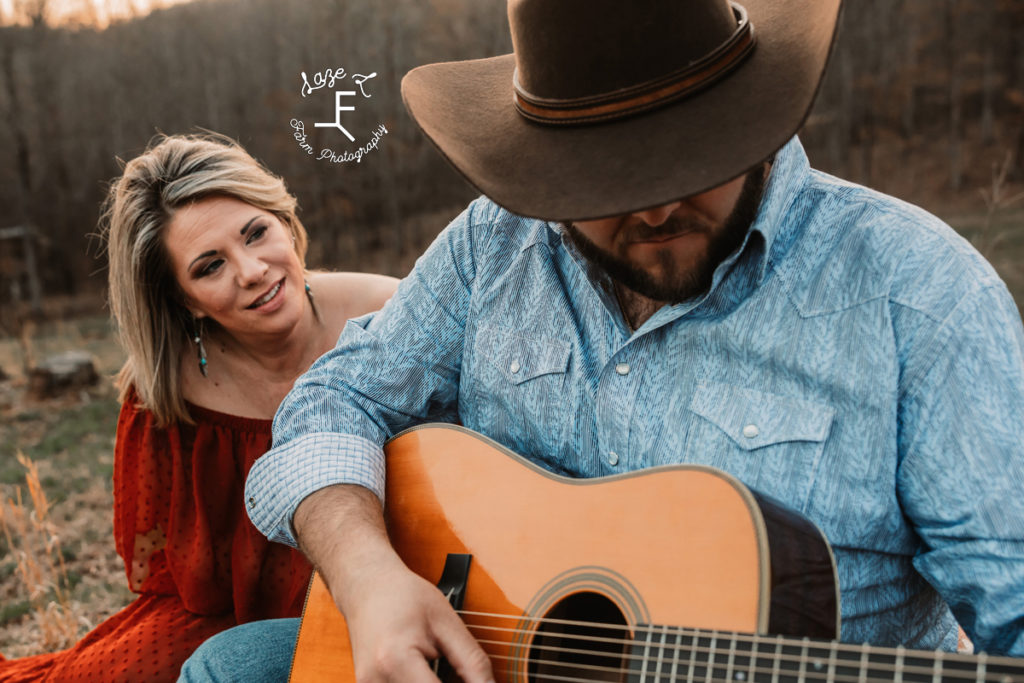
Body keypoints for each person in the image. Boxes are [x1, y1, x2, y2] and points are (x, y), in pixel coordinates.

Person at [184, 0, 1024, 680]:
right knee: (227, 666)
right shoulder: (494, 247)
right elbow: (335, 399)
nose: (656, 208)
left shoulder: (920, 295)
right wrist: (367, 577)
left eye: (690, 160)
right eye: (608, 181)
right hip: (485, 653)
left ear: (750, 115)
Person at [0, 134, 397, 682]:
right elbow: (171, 568)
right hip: (222, 616)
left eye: (256, 232)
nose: (252, 270)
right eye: (210, 266)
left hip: (383, 592)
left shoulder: (393, 314)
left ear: (284, 218)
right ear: (185, 299)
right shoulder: (166, 387)